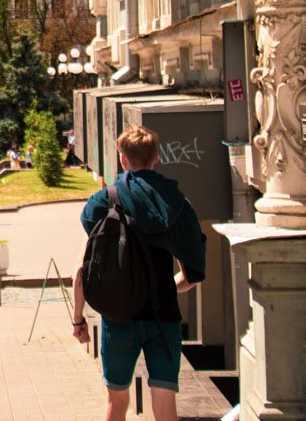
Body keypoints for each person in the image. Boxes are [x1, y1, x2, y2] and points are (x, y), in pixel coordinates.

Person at [72, 125, 206, 421]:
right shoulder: (179, 206)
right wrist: (168, 287)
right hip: (165, 319)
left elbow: (82, 271)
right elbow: (192, 275)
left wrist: (78, 319)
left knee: (116, 404)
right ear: (156, 157)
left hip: (119, 318)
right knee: (165, 407)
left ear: (123, 160)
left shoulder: (104, 202)